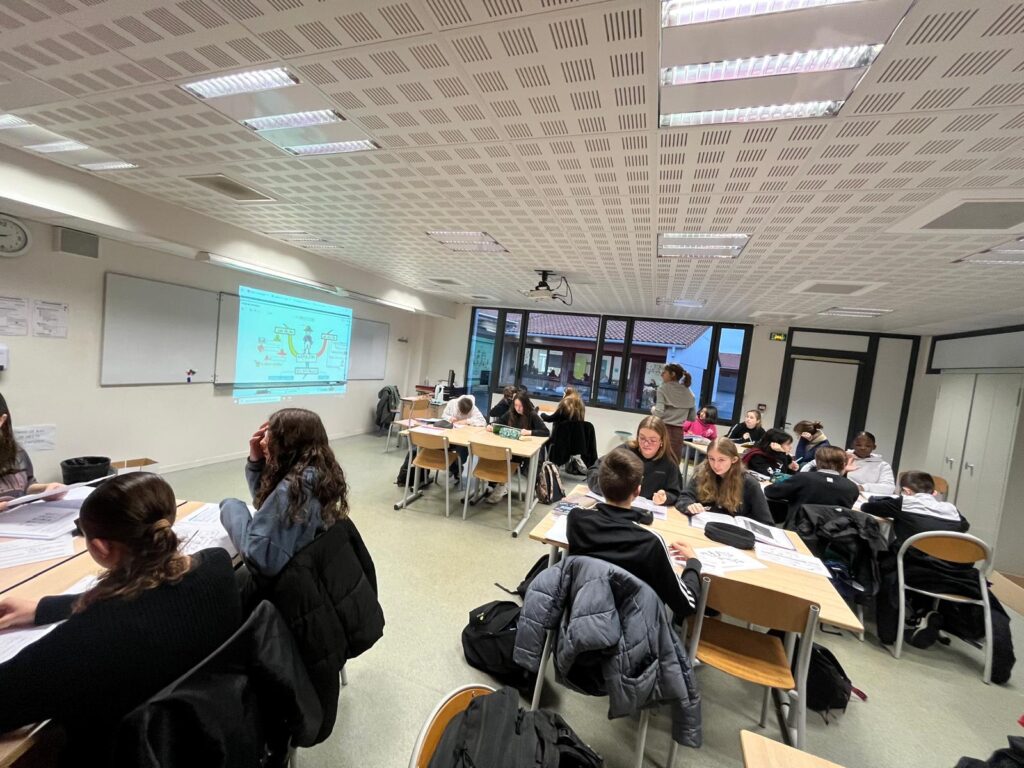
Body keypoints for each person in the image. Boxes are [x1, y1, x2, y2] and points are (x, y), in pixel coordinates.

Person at [0, 473, 242, 764]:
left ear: (100, 548)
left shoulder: (92, 636)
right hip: (205, 741)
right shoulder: (217, 565)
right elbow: (152, 596)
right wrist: (45, 608)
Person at [568, 447, 701, 619]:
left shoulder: (576, 519)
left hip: (582, 610)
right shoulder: (650, 542)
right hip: (631, 623)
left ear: (599, 483)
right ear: (638, 491)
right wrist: (693, 563)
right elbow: (686, 605)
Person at [221, 408, 350, 579]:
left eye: (270, 436)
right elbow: (266, 504)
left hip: (290, 584)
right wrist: (256, 463)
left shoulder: (292, 490)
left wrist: (231, 508)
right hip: (312, 574)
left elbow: (259, 560)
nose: (262, 442)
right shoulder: (315, 475)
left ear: (288, 445)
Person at [586, 416, 682, 506]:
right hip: (619, 506)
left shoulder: (669, 463)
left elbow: (676, 493)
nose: (646, 444)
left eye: (652, 440)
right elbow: (593, 472)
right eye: (642, 438)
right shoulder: (625, 451)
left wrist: (665, 498)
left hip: (648, 511)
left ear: (662, 441)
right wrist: (611, 490)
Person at [676, 438, 772, 524]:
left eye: (721, 460)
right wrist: (689, 505)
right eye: (711, 459)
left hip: (734, 533)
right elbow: (684, 497)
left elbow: (766, 522)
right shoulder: (702, 473)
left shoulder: (749, 484)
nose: (715, 465)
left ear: (734, 459)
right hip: (702, 526)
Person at [861, 470, 968, 547]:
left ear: (906, 491)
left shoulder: (904, 503)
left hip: (914, 562)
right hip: (953, 564)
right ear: (933, 493)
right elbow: (964, 526)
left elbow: (866, 507)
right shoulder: (951, 509)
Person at [0, 392, 65, 511]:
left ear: (2, 420)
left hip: (21, 518)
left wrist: (45, 490)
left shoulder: (15, 451)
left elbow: (26, 486)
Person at [485, 392, 550, 504]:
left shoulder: (532, 415)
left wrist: (529, 432)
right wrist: (491, 426)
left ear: (526, 405)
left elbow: (546, 432)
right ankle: (500, 484)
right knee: (497, 457)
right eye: (515, 405)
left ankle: (502, 485)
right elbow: (498, 422)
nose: (518, 408)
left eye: (520, 406)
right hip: (512, 448)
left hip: (526, 451)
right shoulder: (511, 413)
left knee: (509, 461)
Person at [764, 445, 859, 520]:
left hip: (799, 530)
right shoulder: (852, 488)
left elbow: (770, 492)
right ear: (844, 465)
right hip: (833, 534)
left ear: (817, 462)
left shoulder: (803, 478)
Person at [802, 431, 896, 494]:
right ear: (852, 445)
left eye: (867, 446)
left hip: (865, 496)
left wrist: (862, 487)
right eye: (858, 445)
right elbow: (810, 465)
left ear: (874, 447)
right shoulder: (840, 456)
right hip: (837, 492)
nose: (863, 448)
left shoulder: (882, 465)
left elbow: (889, 487)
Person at [650, 363, 695, 460]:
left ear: (673, 374)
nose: (661, 374)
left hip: (662, 429)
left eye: (664, 372)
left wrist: (653, 409)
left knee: (657, 460)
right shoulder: (689, 392)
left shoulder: (662, 389)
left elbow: (658, 413)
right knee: (674, 461)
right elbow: (692, 417)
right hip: (678, 433)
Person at [441, 395, 487, 482]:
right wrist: (450, 418)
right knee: (442, 447)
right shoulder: (452, 403)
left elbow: (483, 422)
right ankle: (454, 467)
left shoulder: (473, 408)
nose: (462, 415)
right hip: (450, 435)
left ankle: (456, 467)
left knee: (462, 450)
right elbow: (443, 416)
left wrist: (467, 421)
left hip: (464, 437)